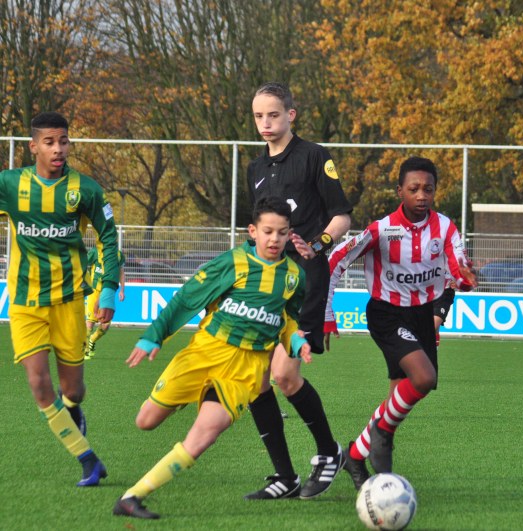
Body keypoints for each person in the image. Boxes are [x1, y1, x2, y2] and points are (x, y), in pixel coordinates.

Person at [112, 197, 312, 520]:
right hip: (205, 353)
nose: (275, 239)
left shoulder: (294, 277)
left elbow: (287, 320)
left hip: (245, 370)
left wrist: (296, 341)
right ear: (253, 231)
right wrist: (154, 335)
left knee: (205, 434)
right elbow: (187, 297)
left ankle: (132, 497)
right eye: (268, 231)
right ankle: (191, 393)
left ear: (290, 234)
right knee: (145, 421)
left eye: (283, 233)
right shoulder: (232, 263)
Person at [324, 156, 477, 490]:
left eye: (428, 189)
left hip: (422, 315)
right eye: (414, 189)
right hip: (387, 313)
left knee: (401, 399)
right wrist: (326, 314)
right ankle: (377, 437)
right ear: (400, 191)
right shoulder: (381, 230)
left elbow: (458, 268)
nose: (422, 195)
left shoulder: (446, 228)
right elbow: (335, 260)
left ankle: (355, 451)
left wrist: (465, 278)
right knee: (424, 378)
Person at [244, 82, 352, 500]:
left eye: (273, 114)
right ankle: (283, 476)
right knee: (257, 380)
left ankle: (329, 453)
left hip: (304, 280)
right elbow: (256, 231)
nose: (265, 123)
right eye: (258, 116)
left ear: (291, 114)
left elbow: (342, 214)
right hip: (264, 285)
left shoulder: (314, 156)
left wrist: (319, 244)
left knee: (285, 375)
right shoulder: (255, 169)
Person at [0, 111, 120, 486]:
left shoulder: (85, 189)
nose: (58, 149)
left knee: (73, 389)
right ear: (33, 146)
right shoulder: (9, 184)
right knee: (38, 384)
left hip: (70, 301)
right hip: (24, 302)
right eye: (49, 142)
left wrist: (110, 291)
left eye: (63, 141)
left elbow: (109, 238)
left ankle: (73, 409)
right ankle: (88, 460)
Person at [84, 247, 126, 359]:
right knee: (90, 323)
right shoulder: (94, 252)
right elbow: (83, 266)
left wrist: (122, 290)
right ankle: (86, 351)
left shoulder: (119, 255)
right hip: (94, 291)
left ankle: (92, 340)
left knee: (106, 324)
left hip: (108, 291)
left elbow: (121, 272)